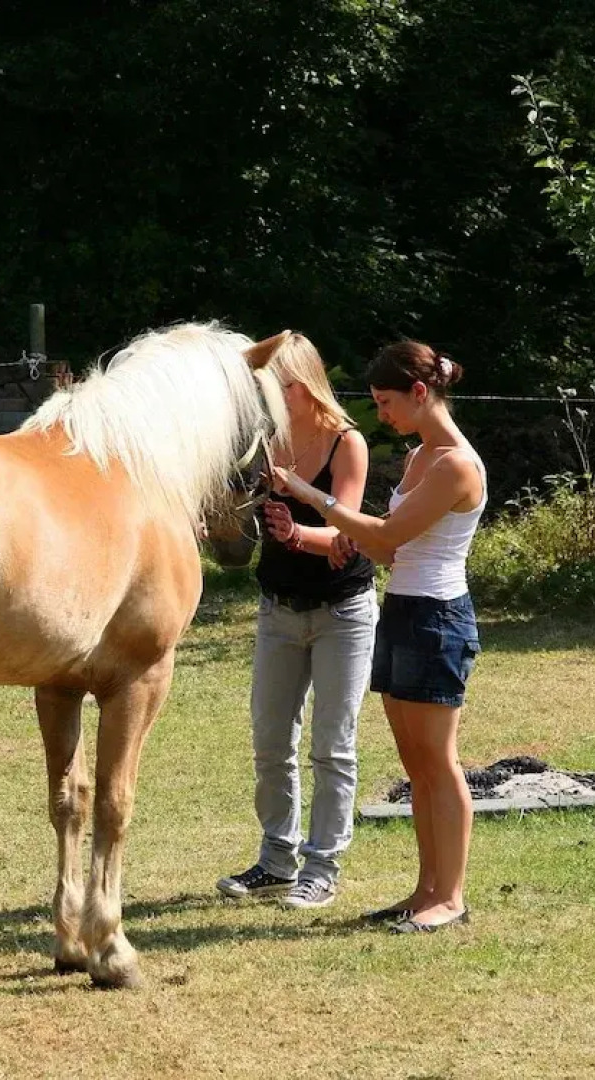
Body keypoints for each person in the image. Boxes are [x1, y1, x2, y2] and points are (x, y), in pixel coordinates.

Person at [271, 340, 484, 933]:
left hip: (438, 620)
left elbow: (388, 539)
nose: (382, 414)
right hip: (403, 611)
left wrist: (311, 497)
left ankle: (452, 896)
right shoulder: (420, 458)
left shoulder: (455, 465)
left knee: (441, 763)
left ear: (420, 393)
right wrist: (348, 536)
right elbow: (388, 541)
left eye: (387, 402)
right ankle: (425, 890)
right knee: (416, 765)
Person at [216, 331, 377, 910]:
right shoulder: (267, 442)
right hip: (278, 610)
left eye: (278, 387)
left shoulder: (346, 444)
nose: (271, 400)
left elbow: (349, 535)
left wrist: (295, 532)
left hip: (342, 613)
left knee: (333, 747)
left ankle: (323, 867)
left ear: (304, 384)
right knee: (270, 743)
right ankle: (276, 860)